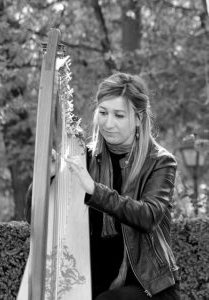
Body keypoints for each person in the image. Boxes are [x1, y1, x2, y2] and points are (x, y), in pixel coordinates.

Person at [26, 72, 181, 300]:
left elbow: (148, 216)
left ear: (138, 118)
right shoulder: (83, 158)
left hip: (149, 286)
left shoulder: (160, 161)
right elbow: (34, 217)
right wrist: (44, 177)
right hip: (92, 281)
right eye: (103, 113)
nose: (108, 123)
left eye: (119, 115)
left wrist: (94, 190)